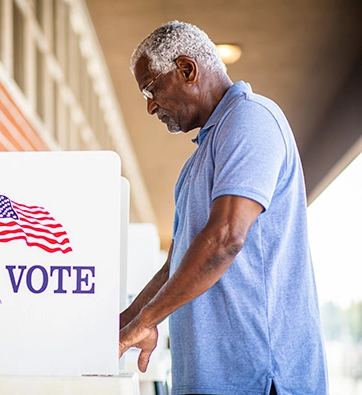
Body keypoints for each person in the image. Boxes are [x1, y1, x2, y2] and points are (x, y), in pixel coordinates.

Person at [119, 21, 328, 394]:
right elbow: (177, 264)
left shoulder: (251, 119)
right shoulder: (195, 164)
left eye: (151, 89)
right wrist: (124, 324)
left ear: (186, 69)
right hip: (210, 379)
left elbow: (226, 238)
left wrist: (148, 320)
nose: (150, 106)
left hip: (258, 377)